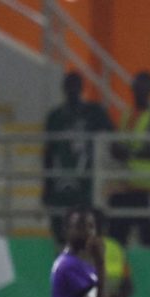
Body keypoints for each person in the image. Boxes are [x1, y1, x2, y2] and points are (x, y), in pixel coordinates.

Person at [42, 71, 114, 244]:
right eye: (69, 86)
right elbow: (49, 152)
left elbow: (112, 135)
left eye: (76, 86)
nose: (72, 90)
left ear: (82, 88)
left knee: (85, 232)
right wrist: (47, 185)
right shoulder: (55, 117)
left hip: (85, 186)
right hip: (60, 186)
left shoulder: (94, 112)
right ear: (64, 89)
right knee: (60, 232)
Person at [109, 70, 150, 246]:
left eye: (144, 87)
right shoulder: (126, 115)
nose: (140, 91)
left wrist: (131, 154)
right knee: (118, 231)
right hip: (125, 184)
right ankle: (117, 261)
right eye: (137, 87)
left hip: (147, 185)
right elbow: (118, 143)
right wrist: (116, 150)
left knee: (148, 235)